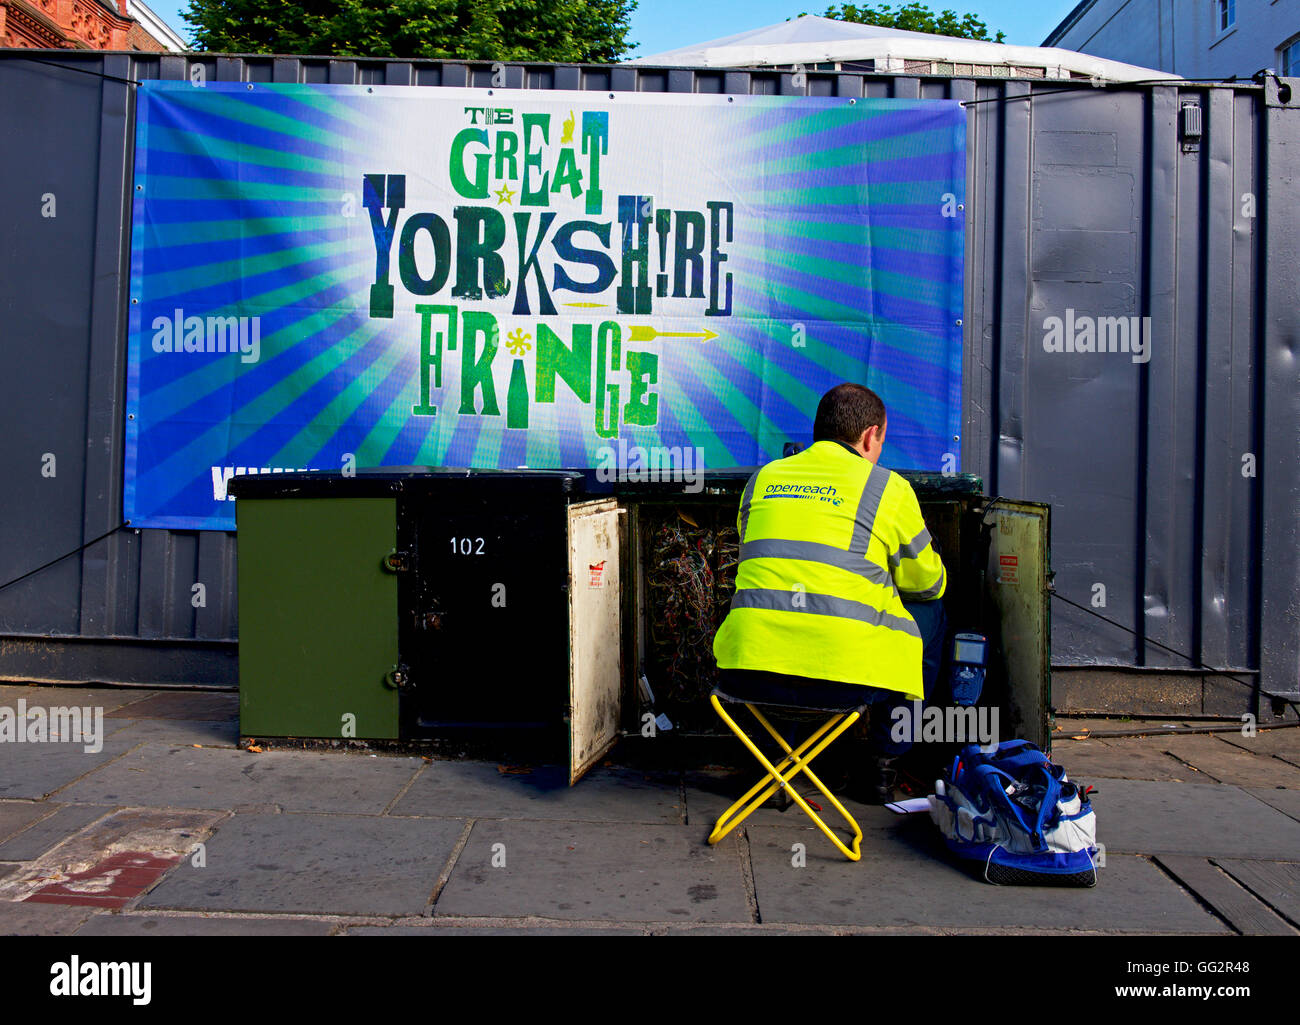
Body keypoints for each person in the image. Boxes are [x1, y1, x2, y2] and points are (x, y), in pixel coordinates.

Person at [713, 382, 948, 802]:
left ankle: (774, 767)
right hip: (844, 683)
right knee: (931, 614)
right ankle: (882, 766)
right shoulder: (889, 488)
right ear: (871, 435)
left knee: (776, 607)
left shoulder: (762, 479)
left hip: (744, 675)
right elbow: (926, 583)